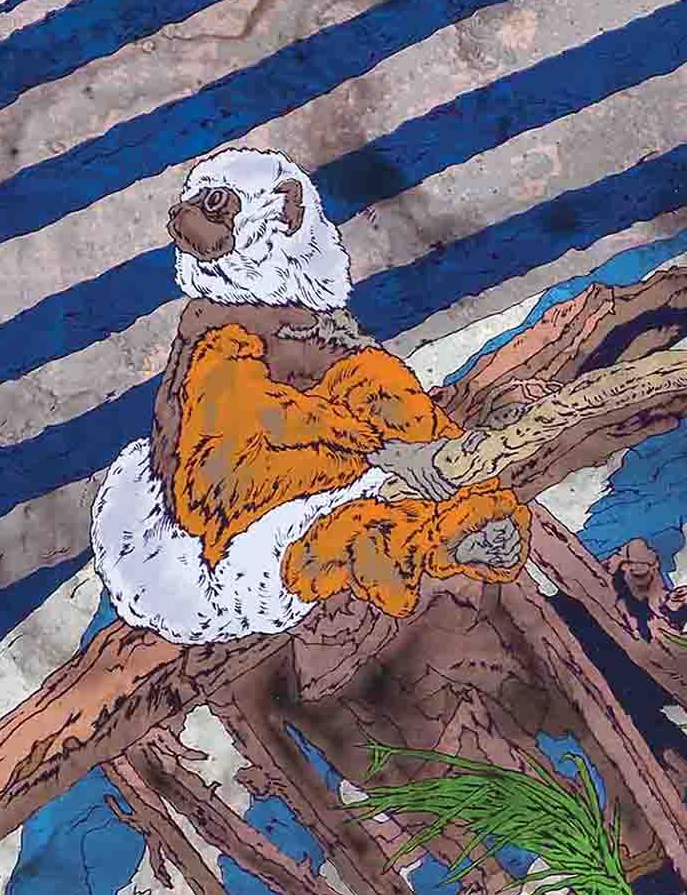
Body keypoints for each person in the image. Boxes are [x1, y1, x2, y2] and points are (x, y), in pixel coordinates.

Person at [90, 146, 538, 645]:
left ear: (286, 213)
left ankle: (472, 505)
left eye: (216, 203)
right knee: (337, 533)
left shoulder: (314, 323)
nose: (186, 221)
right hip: (230, 505)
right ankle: (427, 541)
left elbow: (380, 397)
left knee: (376, 381)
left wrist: (418, 453)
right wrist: (381, 450)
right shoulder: (216, 334)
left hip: (315, 451)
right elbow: (255, 421)